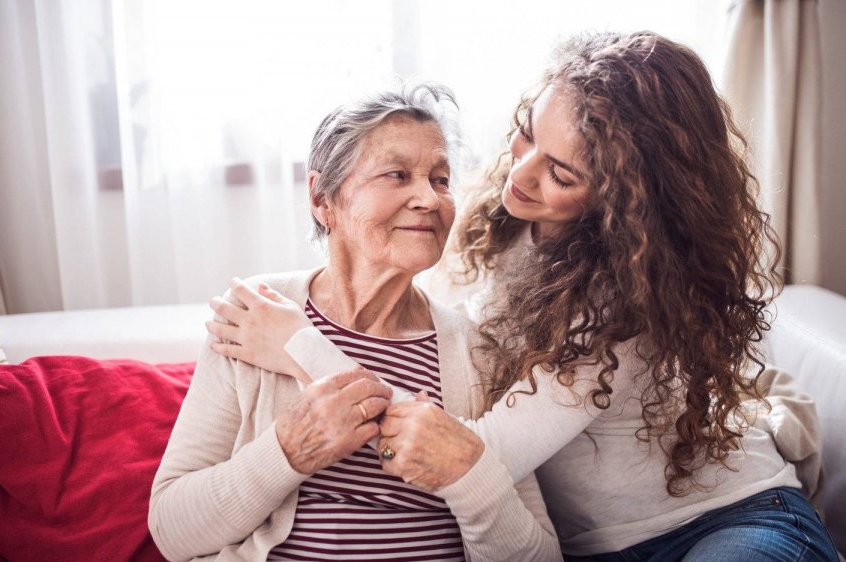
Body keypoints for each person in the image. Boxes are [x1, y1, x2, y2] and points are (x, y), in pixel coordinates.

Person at [207, 32, 838, 560]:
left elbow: (471, 453)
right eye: (527, 132)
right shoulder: (501, 217)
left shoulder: (627, 292)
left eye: (561, 173)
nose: (521, 171)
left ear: (626, 197)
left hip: (727, 524)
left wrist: (297, 346)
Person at [148, 83, 561, 562]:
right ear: (324, 199)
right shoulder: (256, 312)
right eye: (398, 174)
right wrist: (289, 450)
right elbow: (172, 530)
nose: (428, 197)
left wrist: (466, 472)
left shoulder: (478, 353)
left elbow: (539, 556)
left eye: (441, 179)